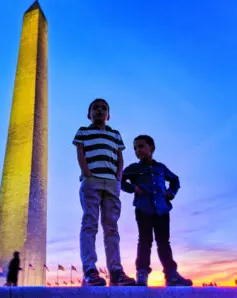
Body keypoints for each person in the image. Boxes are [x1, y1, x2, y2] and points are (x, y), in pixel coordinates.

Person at [73, 98, 136, 287]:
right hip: (91, 181)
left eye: (103, 108)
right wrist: (87, 174)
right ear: (88, 114)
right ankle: (90, 271)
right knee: (90, 224)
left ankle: (116, 272)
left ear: (108, 115)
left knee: (111, 228)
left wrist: (118, 179)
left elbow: (120, 158)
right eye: (95, 108)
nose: (99, 110)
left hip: (111, 183)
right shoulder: (83, 131)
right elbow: (80, 153)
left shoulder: (115, 134)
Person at [121, 135, 192, 286]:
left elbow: (175, 180)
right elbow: (119, 179)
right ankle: (142, 273)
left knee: (164, 242)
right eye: (135, 148)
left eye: (141, 146)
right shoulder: (134, 168)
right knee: (145, 241)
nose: (137, 150)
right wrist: (133, 187)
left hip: (162, 210)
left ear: (151, 148)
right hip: (143, 209)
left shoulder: (161, 168)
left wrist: (170, 193)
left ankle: (171, 275)